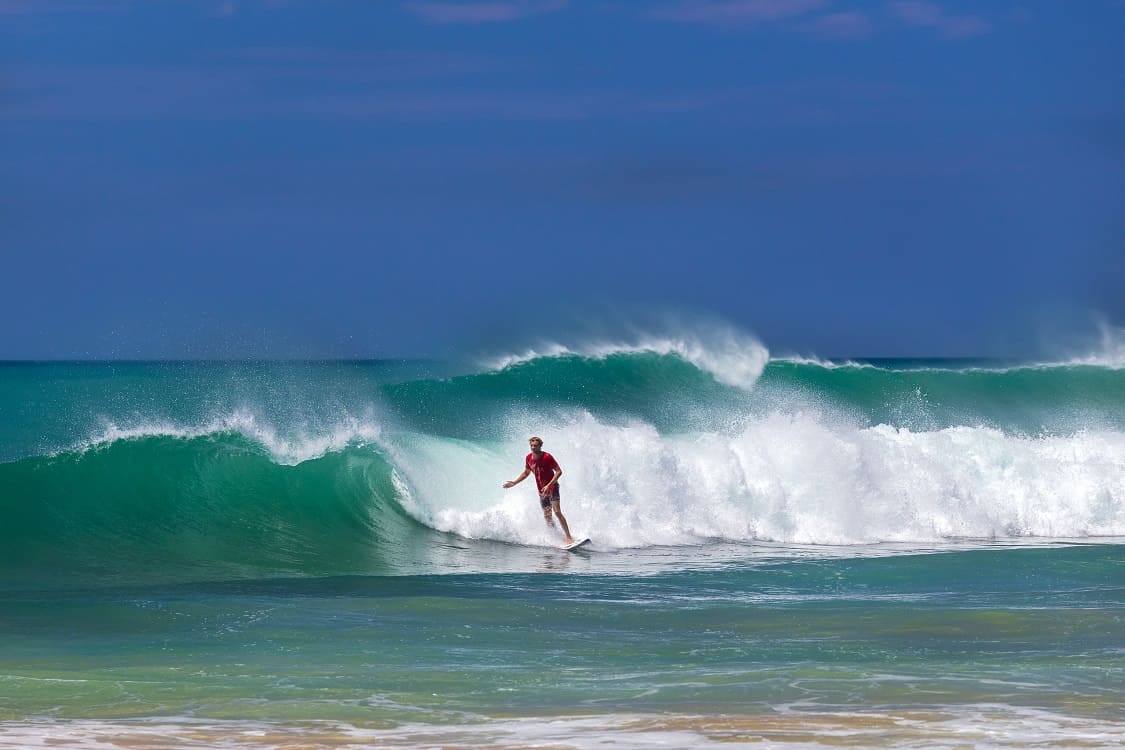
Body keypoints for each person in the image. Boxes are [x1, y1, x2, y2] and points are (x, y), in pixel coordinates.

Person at [502, 436, 574, 544]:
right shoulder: (528, 458)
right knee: (547, 516)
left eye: (535, 446)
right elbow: (526, 473)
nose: (533, 447)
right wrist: (514, 482)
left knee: (557, 511)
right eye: (531, 445)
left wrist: (549, 485)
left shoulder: (547, 457)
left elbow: (559, 471)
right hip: (541, 490)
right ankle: (556, 536)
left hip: (552, 487)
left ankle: (569, 537)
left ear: (540, 446)